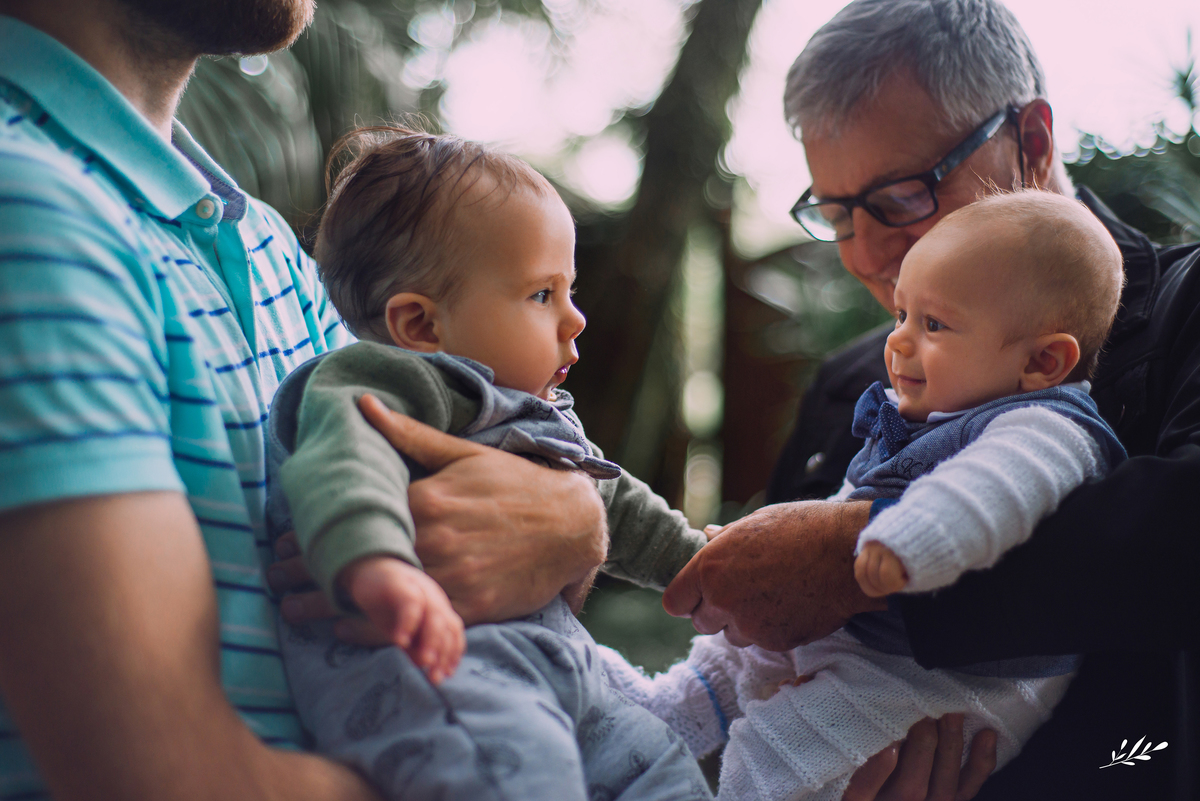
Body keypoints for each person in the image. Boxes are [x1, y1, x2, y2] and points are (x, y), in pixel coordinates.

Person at [0, 3, 614, 798]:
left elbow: (480, 528)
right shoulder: (26, 206)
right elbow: (165, 779)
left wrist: (573, 520)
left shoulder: (261, 242)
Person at [662, 1, 1200, 799]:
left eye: (901, 196)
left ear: (1033, 142)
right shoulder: (848, 385)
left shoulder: (1188, 313)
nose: (867, 254)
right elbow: (760, 670)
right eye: (836, 215)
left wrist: (859, 556)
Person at [607, 189, 1127, 800]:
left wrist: (904, 537)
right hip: (873, 646)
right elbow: (844, 505)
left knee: (781, 747)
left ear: (1043, 361)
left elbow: (989, 488)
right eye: (902, 315)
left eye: (934, 324)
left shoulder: (1047, 428)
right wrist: (774, 548)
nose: (899, 341)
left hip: (944, 685)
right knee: (732, 653)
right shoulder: (929, 416)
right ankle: (666, 712)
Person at [266, 125, 712, 800]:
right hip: (436, 671)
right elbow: (343, 462)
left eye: (569, 290)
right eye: (542, 294)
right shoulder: (377, 383)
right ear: (421, 325)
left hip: (561, 671)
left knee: (661, 765)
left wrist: (697, 562)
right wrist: (379, 563)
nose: (575, 318)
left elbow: (614, 504)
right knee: (516, 779)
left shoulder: (537, 416)